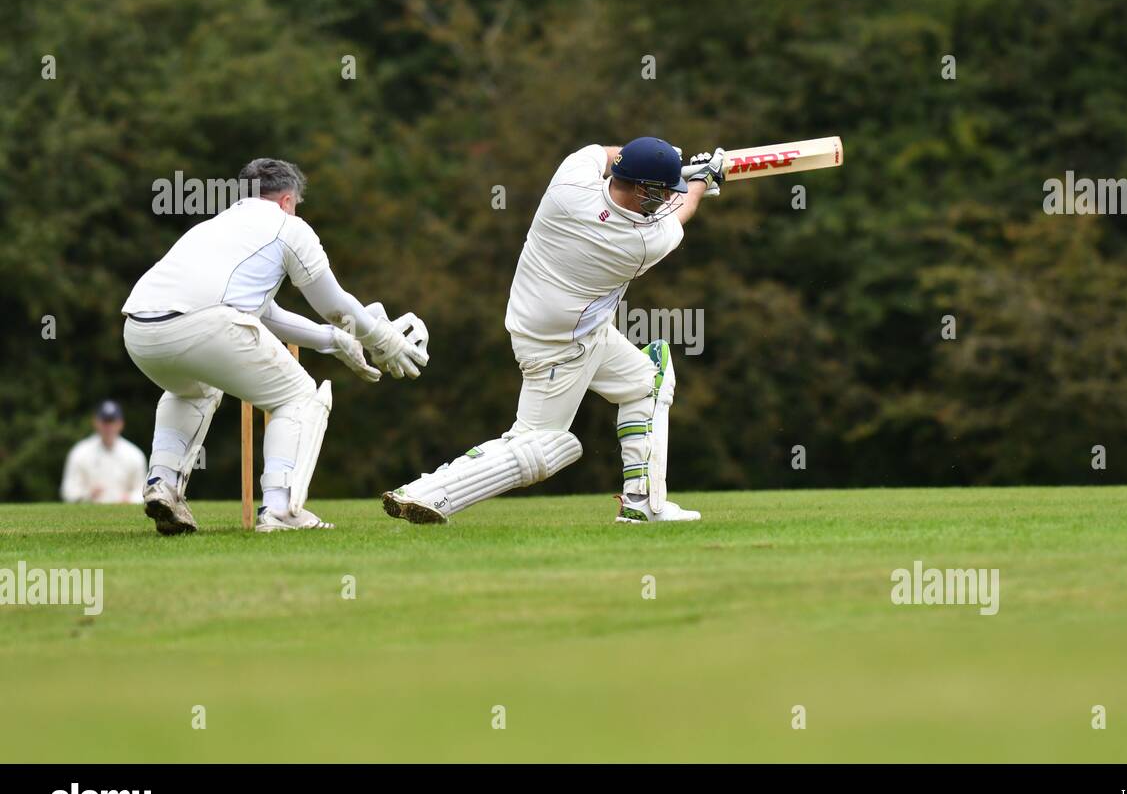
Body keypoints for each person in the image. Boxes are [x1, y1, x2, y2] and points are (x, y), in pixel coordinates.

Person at [383, 138, 725, 525]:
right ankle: (426, 492)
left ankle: (643, 503)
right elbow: (682, 212)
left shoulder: (569, 181)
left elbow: (609, 153)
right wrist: (703, 180)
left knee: (647, 381)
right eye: (659, 193)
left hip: (564, 327)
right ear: (642, 189)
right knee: (537, 444)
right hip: (563, 346)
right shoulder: (640, 242)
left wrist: (667, 166)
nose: (665, 200)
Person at [121, 158, 429, 534]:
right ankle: (280, 510)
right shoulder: (288, 227)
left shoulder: (216, 227)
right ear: (286, 200)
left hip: (140, 331)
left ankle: (163, 484)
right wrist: (383, 339)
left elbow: (266, 314)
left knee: (194, 389)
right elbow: (333, 303)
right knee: (299, 397)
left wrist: (334, 341)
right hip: (205, 323)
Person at [60, 400, 147, 504]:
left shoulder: (134, 455)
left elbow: (143, 493)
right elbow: (68, 491)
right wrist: (87, 495)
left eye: (112, 421)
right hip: (89, 512)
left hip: (123, 512)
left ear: (120, 423)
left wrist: (129, 499)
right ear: (95, 422)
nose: (108, 427)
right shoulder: (80, 452)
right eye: (105, 422)